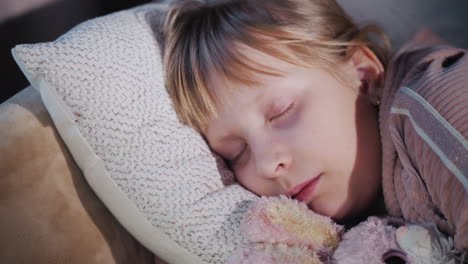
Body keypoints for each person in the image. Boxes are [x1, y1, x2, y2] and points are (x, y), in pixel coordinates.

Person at [163, 0, 467, 250]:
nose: (268, 164)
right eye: (235, 152)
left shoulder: (435, 103)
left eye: (281, 111)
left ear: (363, 74)